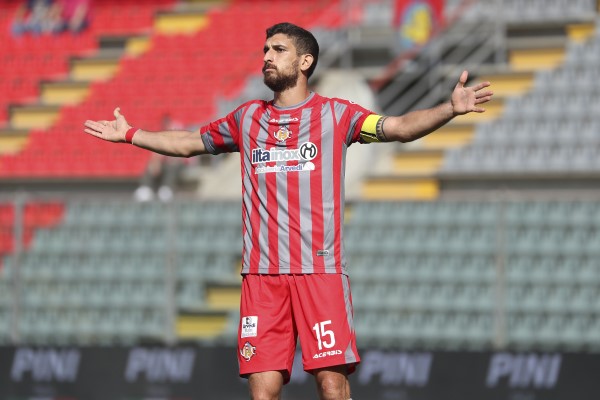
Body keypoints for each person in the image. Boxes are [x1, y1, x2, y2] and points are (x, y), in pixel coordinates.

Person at [83, 22, 492, 400]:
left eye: (278, 49)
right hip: (262, 278)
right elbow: (189, 142)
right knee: (264, 391)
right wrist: (132, 134)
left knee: (332, 385)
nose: (267, 56)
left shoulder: (337, 115)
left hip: (320, 272)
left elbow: (400, 127)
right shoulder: (247, 118)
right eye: (265, 49)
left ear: (305, 61)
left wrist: (449, 109)